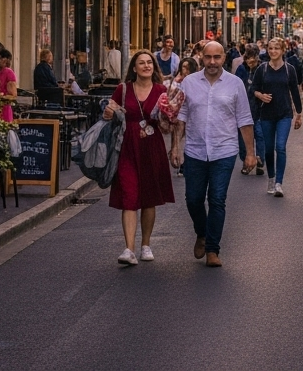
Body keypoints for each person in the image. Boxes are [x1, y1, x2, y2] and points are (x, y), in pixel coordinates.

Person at [170, 40, 257, 267]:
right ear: (202, 58)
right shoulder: (188, 83)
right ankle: (202, 232)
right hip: (195, 150)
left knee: (217, 200)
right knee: (193, 199)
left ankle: (212, 249)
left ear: (223, 59)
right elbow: (180, 117)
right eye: (208, 57)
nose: (212, 62)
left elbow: (244, 119)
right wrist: (176, 147)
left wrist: (250, 153)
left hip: (224, 150)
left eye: (216, 57)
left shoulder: (235, 84)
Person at [101, 50, 175, 265]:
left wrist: (168, 115)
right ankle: (129, 249)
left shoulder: (162, 90)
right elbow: (111, 112)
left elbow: (169, 122)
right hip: (126, 146)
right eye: (141, 63)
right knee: (129, 195)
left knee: (149, 197)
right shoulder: (123, 89)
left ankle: (145, 244)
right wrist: (108, 112)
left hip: (152, 146)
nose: (146, 66)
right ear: (134, 68)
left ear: (154, 67)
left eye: (149, 63)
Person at [252, 37, 303, 196]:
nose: (273, 51)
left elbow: (295, 91)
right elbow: (253, 88)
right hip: (266, 114)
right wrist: (260, 96)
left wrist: (299, 113)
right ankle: (272, 178)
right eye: (271, 48)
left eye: (276, 48)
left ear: (283, 50)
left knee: (280, 147)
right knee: (268, 149)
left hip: (284, 114)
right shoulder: (262, 69)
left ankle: (279, 183)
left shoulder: (289, 69)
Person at [235, 45, 266, 175]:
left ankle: (259, 160)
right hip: (243, 107)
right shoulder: (241, 69)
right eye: (248, 59)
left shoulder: (263, 69)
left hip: (259, 108)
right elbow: (235, 85)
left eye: (252, 59)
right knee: (242, 137)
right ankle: (246, 160)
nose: (250, 62)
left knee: (259, 134)